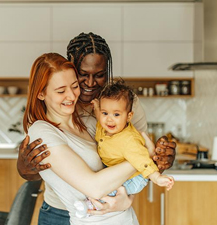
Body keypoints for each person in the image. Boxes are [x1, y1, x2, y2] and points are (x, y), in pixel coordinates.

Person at [17, 32, 176, 224]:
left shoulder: (121, 106)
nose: (90, 83)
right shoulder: (47, 126)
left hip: (113, 211)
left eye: (99, 75)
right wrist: (25, 167)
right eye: (83, 75)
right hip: (57, 210)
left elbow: (133, 155)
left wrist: (126, 199)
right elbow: (94, 181)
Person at [24, 52, 140, 224]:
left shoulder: (87, 125)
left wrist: (126, 199)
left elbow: (117, 165)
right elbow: (94, 187)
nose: (71, 96)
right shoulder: (41, 132)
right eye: (61, 91)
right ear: (41, 94)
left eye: (74, 86)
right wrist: (143, 157)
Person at [74, 80, 174, 218]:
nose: (109, 120)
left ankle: (90, 206)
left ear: (129, 116)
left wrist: (157, 178)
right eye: (105, 113)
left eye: (116, 115)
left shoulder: (129, 141)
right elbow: (100, 117)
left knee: (108, 188)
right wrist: (97, 107)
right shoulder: (104, 126)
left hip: (134, 179)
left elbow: (143, 161)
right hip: (121, 171)